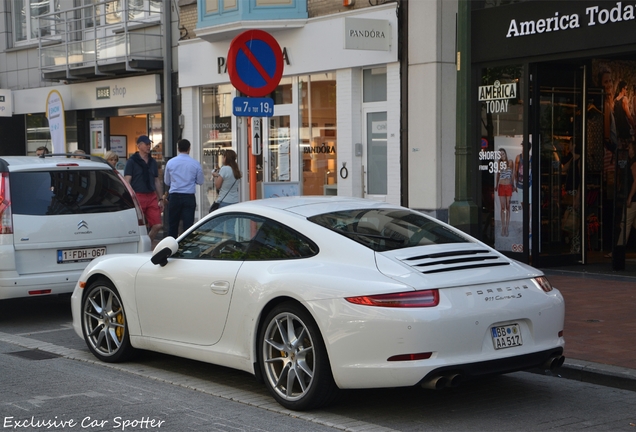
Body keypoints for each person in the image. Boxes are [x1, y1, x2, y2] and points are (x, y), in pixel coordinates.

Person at [124, 135, 164, 241]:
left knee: (158, 225)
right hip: (138, 195)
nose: (149, 146)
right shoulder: (132, 161)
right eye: (146, 144)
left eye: (149, 144)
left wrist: (160, 198)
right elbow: (127, 180)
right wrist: (129, 197)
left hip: (151, 195)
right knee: (137, 225)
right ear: (139, 146)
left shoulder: (152, 162)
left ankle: (147, 242)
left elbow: (156, 181)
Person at [164, 139, 204, 238]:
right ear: (189, 149)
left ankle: (171, 248)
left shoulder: (170, 163)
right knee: (188, 226)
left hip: (174, 196)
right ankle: (187, 248)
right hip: (188, 196)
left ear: (178, 148)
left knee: (173, 224)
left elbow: (167, 181)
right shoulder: (195, 163)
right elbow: (200, 181)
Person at [609, 141, 636, 257]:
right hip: (634, 198)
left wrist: (630, 197)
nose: (627, 149)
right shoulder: (631, 162)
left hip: (634, 198)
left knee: (625, 224)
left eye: (629, 148)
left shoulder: (634, 163)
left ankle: (618, 251)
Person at [495, 148, 514, 237]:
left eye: (503, 154)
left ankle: (507, 226)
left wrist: (513, 185)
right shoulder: (499, 164)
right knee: (503, 208)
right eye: (501, 154)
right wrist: (496, 185)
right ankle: (503, 227)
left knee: (508, 206)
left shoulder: (510, 162)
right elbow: (498, 175)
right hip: (501, 185)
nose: (502, 155)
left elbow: (512, 174)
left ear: (505, 154)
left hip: (508, 185)